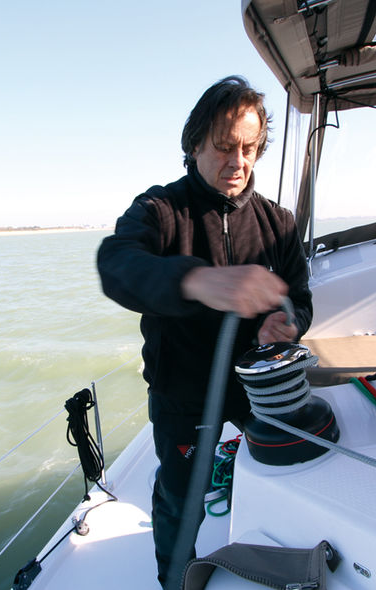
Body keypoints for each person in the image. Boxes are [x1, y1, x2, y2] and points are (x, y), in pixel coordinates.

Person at [96, 75, 312, 587]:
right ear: (194, 144)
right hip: (184, 393)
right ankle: (175, 579)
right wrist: (197, 280)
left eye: (249, 148)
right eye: (223, 146)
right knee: (180, 496)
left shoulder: (279, 223)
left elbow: (300, 298)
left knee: (293, 468)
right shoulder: (160, 211)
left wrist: (289, 323)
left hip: (260, 385)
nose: (237, 162)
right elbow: (117, 264)